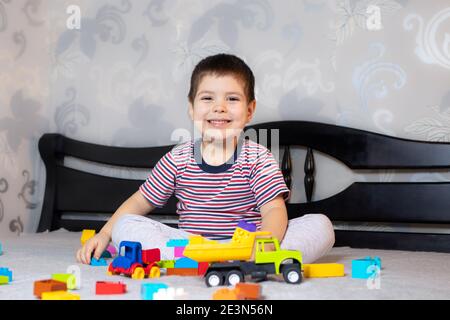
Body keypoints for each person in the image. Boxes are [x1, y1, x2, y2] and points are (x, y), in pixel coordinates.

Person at [76, 53, 335, 265]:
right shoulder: (177, 159)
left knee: (320, 226)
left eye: (232, 99)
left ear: (249, 111)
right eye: (207, 98)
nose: (219, 107)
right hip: (192, 245)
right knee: (127, 226)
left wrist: (264, 244)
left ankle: (253, 259)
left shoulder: (258, 158)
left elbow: (274, 210)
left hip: (250, 245)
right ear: (191, 108)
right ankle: (209, 260)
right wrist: (106, 233)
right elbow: (139, 201)